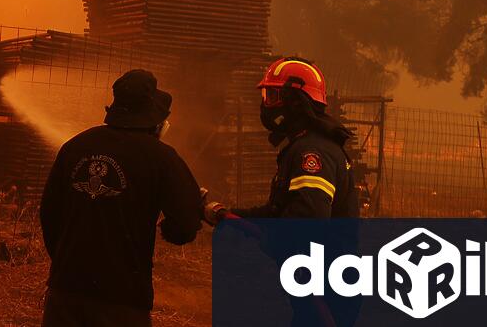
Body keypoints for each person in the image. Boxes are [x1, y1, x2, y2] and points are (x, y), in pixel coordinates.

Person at [39, 69, 204, 327]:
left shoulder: (74, 147)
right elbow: (185, 225)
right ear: (154, 120)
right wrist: (169, 229)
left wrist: (66, 262)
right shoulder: (161, 157)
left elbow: (49, 213)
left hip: (65, 294)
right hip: (123, 301)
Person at [204, 56, 359, 327]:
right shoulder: (305, 145)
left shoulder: (312, 153)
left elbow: (308, 222)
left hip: (327, 290)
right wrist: (230, 216)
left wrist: (273, 240)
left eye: (273, 96)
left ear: (296, 101)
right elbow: (279, 211)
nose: (266, 105)